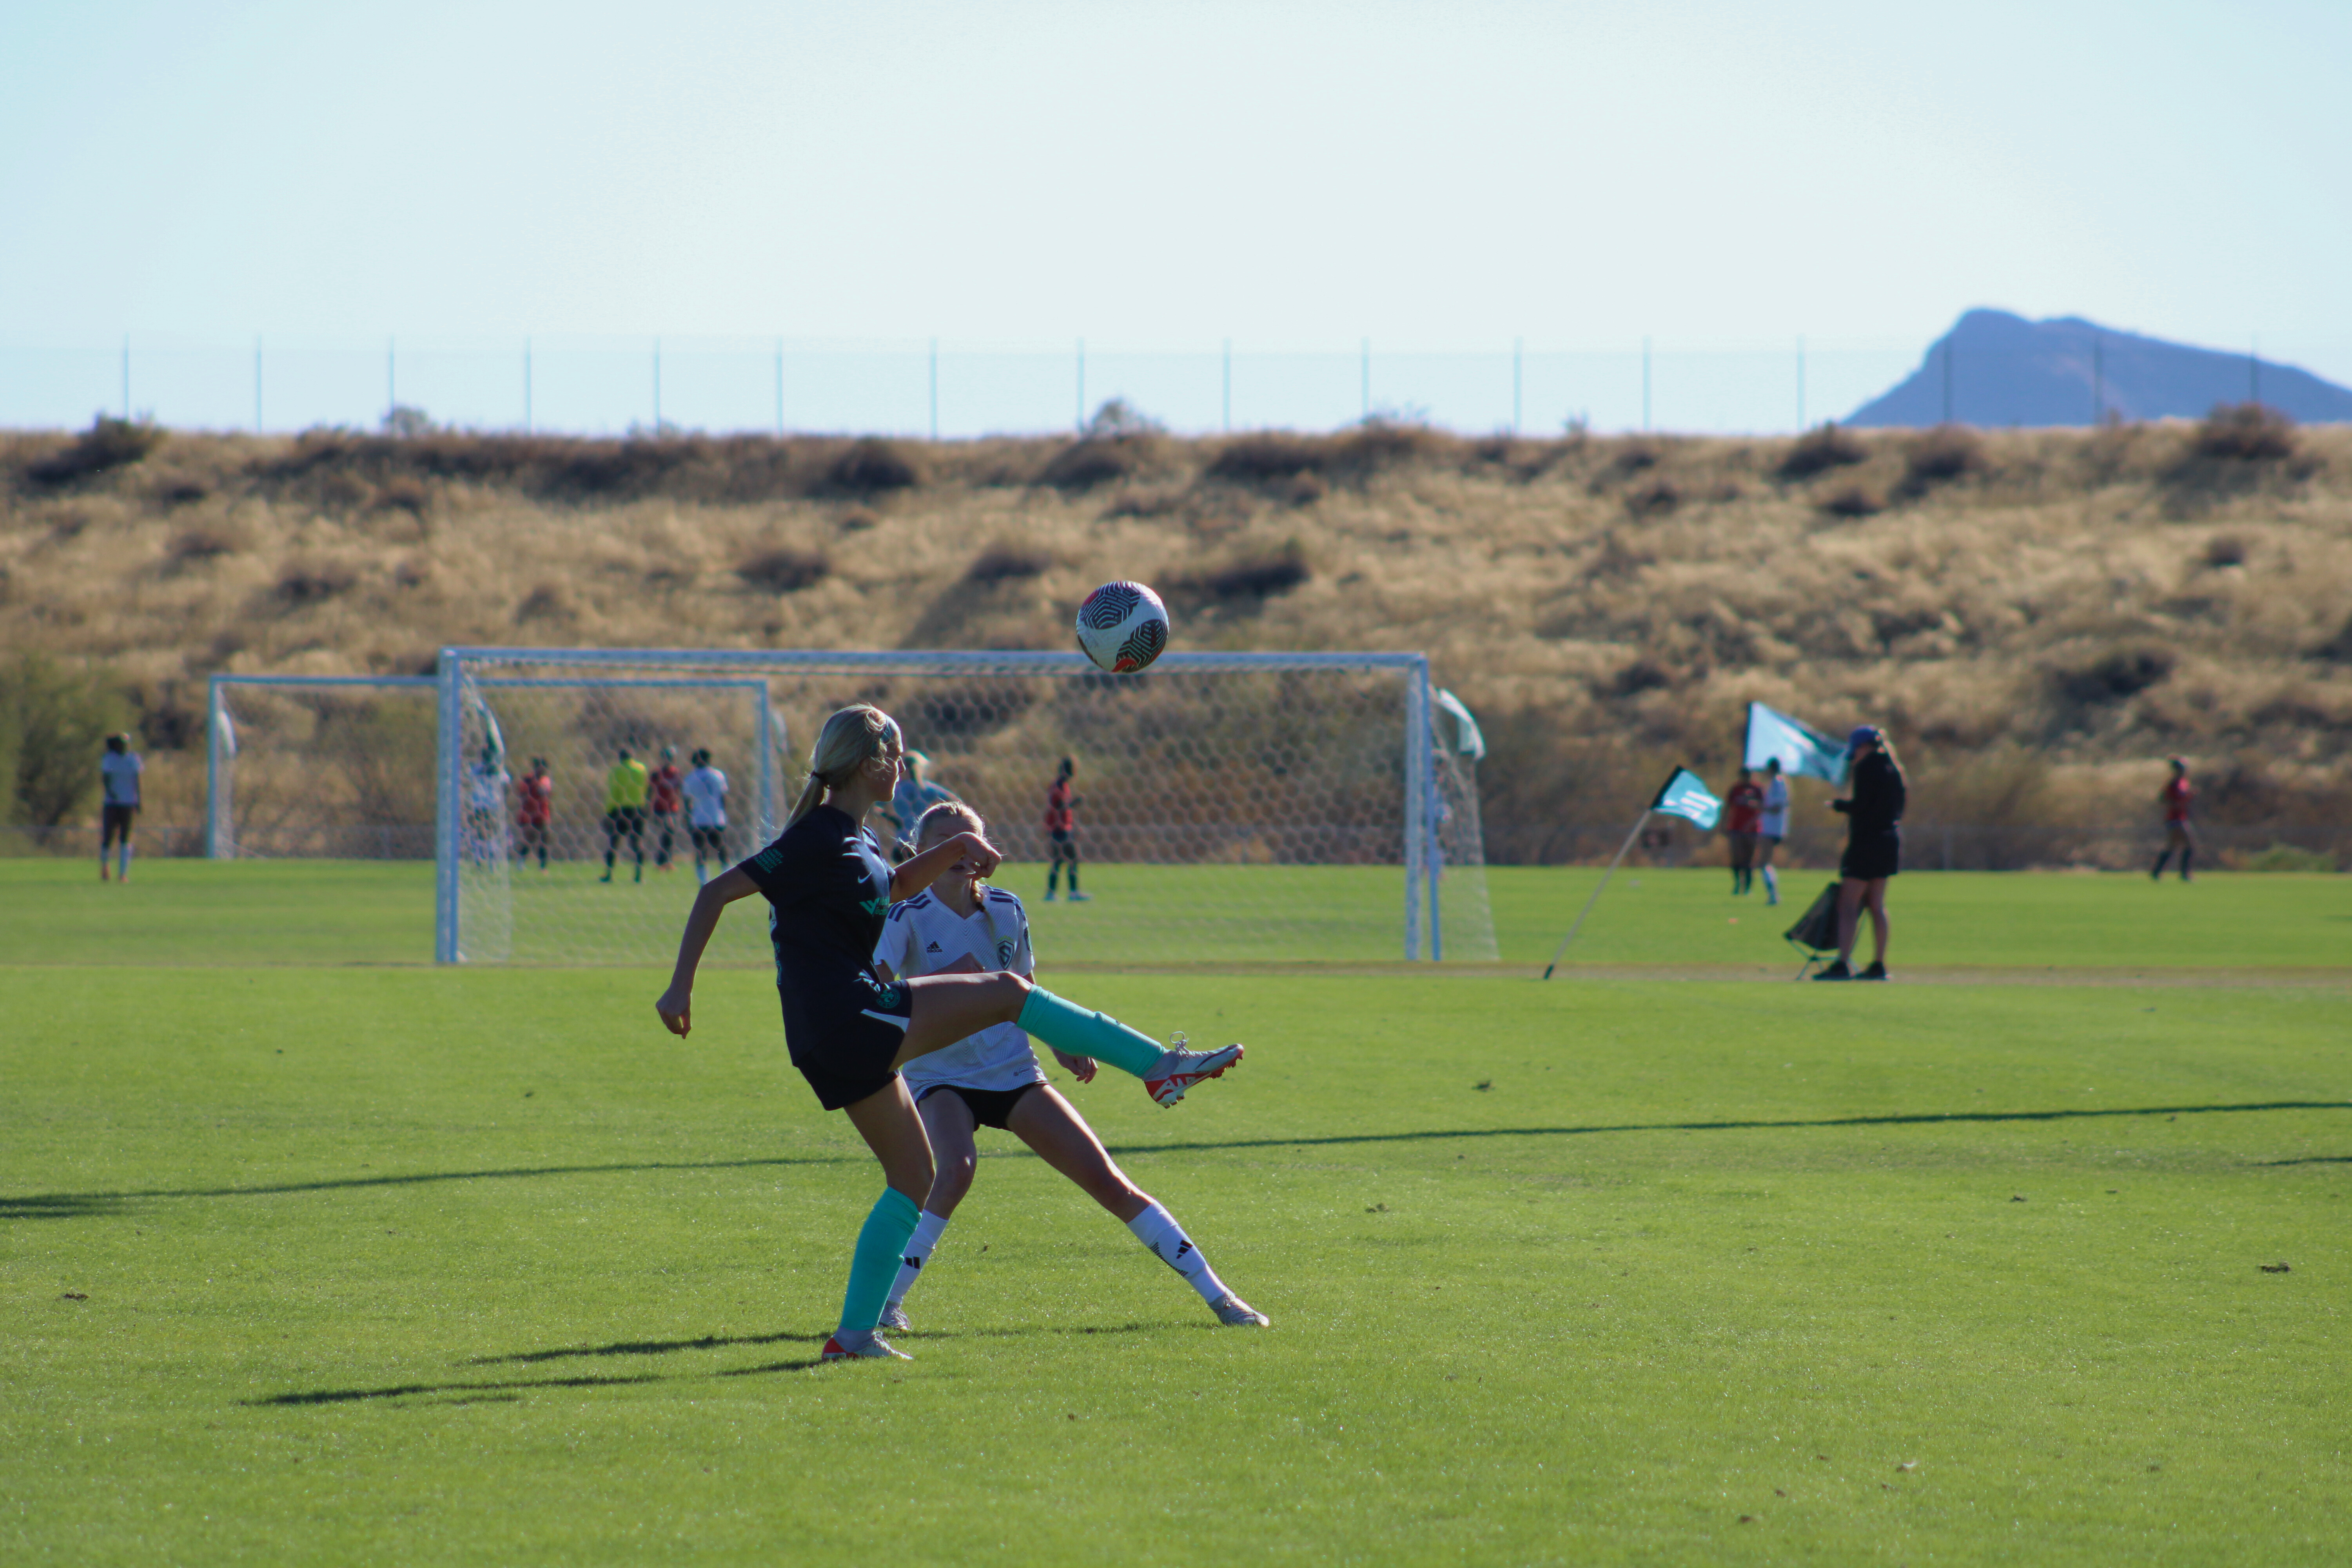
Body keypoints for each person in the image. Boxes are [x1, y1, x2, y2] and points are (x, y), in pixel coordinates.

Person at [652, 704, 1247, 1363]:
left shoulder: (858, 841)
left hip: (830, 1038)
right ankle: (1160, 1066)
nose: (904, 769)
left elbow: (898, 884)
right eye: (898, 758)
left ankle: (853, 1338)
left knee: (914, 1176)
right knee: (1007, 995)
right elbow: (714, 893)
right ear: (871, 763)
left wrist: (958, 849)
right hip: (848, 1018)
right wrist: (680, 987)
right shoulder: (818, 837)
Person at [873, 800, 1266, 1333]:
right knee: (955, 1171)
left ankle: (1221, 1298)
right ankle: (887, 1304)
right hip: (939, 1077)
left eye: (971, 842)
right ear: (921, 852)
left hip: (1012, 1071)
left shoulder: (1006, 908)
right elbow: (876, 996)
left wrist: (1058, 1042)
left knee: (1107, 1180)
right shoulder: (906, 915)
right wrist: (949, 988)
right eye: (948, 842)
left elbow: (1025, 990)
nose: (962, 854)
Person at [1815, 726, 1905, 982]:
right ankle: (1879, 964)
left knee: (1848, 904)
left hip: (1866, 842)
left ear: (1863, 747)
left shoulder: (1866, 768)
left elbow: (1862, 805)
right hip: (1889, 841)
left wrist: (1839, 805)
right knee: (1877, 904)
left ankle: (1842, 963)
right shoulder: (1895, 769)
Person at [885, 750, 957, 861]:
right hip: (924, 839)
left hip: (902, 841)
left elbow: (877, 807)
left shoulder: (897, 789)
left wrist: (893, 820)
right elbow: (955, 801)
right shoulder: (927, 789)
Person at [601, 747, 650, 884]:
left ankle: (609, 874)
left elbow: (613, 792)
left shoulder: (616, 771)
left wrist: (609, 812)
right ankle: (639, 875)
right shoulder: (641, 769)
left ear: (620, 758)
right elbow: (646, 788)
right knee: (637, 844)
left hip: (620, 809)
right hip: (638, 809)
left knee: (614, 843)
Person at [1043, 755, 1088, 902]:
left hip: (1063, 828)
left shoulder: (1062, 785)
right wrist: (1075, 802)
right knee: (1068, 859)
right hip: (1058, 829)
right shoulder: (1058, 786)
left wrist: (1074, 826)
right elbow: (1059, 807)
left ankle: (1054, 893)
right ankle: (1071, 893)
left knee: (1063, 860)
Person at [98, 733, 141, 883]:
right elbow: (106, 779)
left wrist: (138, 801)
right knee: (108, 837)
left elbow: (137, 781)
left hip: (128, 803)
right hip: (112, 803)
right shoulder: (110, 759)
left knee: (126, 838)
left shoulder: (133, 759)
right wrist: (111, 793)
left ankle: (123, 874)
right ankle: (105, 867)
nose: (126, 746)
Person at [682, 747, 729, 883]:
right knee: (721, 849)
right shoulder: (718, 775)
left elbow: (687, 801)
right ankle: (727, 876)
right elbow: (723, 797)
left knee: (701, 851)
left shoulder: (691, 778)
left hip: (699, 819)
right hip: (716, 818)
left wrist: (687, 817)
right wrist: (723, 814)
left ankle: (703, 881)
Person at [465, 743, 511, 866]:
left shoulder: (476, 769)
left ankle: (478, 856)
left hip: (478, 804)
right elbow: (507, 784)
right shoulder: (497, 769)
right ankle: (492, 858)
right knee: (492, 832)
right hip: (493, 804)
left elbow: (470, 780)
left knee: (479, 831)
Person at [2151, 757, 2194, 882]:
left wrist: (2190, 796)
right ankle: (2185, 874)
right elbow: (2162, 798)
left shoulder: (2184, 782)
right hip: (2175, 819)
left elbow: (2185, 798)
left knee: (2172, 846)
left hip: (2182, 817)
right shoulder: (2173, 784)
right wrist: (2174, 804)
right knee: (2189, 844)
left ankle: (2157, 872)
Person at [1722, 767, 1763, 895]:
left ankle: (1748, 887)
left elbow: (1764, 807)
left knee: (1749, 860)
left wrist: (1751, 803)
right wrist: (1724, 824)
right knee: (1736, 858)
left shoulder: (1757, 789)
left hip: (1752, 829)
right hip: (1736, 828)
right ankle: (1737, 883)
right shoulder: (1735, 790)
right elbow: (1728, 807)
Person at [1755, 758, 1789, 906]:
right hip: (1770, 827)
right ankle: (1773, 895)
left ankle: (1774, 895)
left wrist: (1760, 807)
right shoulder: (1776, 783)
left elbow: (1777, 808)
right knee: (1765, 862)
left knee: (1765, 862)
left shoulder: (1778, 783)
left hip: (1773, 828)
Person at [648, 746, 684, 873]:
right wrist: (650, 807)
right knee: (666, 833)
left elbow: (680, 789)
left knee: (669, 834)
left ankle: (665, 862)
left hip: (673, 807)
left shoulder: (677, 773)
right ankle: (663, 862)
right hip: (660, 808)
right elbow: (650, 790)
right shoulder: (657, 773)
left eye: (671, 757)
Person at [515, 758, 554, 872]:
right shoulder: (528, 779)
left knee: (544, 839)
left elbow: (548, 794)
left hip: (543, 813)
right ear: (536, 768)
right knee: (530, 839)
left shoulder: (546, 780)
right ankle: (521, 862)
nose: (542, 770)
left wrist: (544, 791)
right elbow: (522, 794)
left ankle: (543, 867)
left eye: (544, 768)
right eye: (540, 767)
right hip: (530, 814)